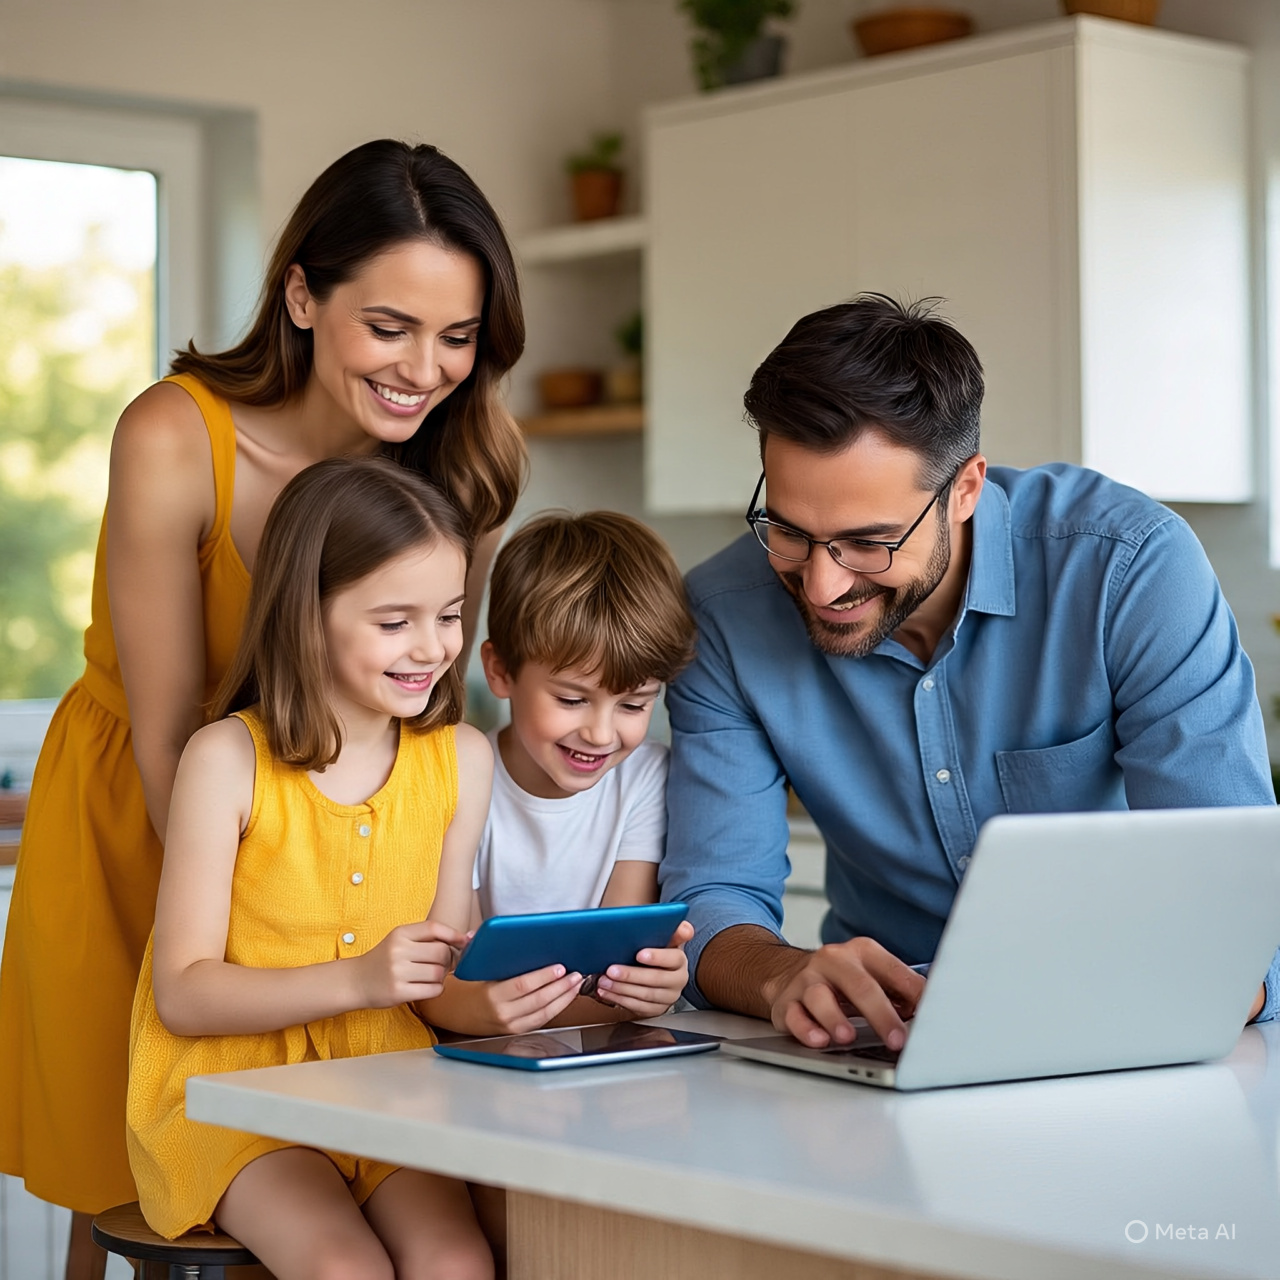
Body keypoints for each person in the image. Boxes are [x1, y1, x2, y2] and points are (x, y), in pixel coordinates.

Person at [0, 137, 526, 1265]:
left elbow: (424, 717)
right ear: (299, 292)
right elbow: (168, 723)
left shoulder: (461, 466)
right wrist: (270, 946)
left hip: (318, 830)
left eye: (456, 335)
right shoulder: (175, 434)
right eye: (388, 326)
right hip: (164, 794)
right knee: (128, 1159)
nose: (423, 367)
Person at [660, 293, 1280, 1054]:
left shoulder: (1129, 569)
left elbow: (1230, 898)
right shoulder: (723, 615)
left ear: (965, 489)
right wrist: (782, 976)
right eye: (789, 531)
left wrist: (1179, 989)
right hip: (878, 1050)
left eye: (869, 542)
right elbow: (710, 904)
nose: (821, 586)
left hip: (1123, 1037)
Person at [127, 456, 492, 1279]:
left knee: (457, 1262)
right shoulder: (226, 759)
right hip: (230, 1091)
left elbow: (439, 972)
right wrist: (361, 980)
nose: (432, 647)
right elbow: (183, 992)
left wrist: (500, 995)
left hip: (386, 1080)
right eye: (394, 621)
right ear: (307, 613)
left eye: (450, 615)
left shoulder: (464, 761)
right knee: (343, 1267)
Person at [421, 512, 698, 1036]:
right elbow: (461, 975)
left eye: (635, 704)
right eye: (572, 699)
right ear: (500, 671)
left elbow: (616, 965)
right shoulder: (457, 774)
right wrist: (619, 1002)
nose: (600, 733)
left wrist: (649, 993)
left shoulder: (645, 778)